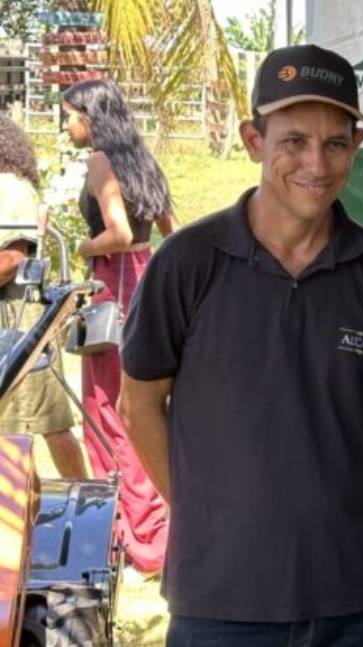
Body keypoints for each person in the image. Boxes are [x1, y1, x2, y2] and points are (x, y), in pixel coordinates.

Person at [119, 44, 363, 646]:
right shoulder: (187, 261)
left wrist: (341, 475)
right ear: (254, 140)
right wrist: (205, 506)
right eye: (293, 140)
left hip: (345, 591)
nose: (316, 162)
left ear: (356, 146)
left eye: (335, 142)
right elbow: (139, 405)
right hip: (220, 594)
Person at [61, 78, 174, 574]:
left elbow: (119, 232)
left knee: (109, 413)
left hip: (114, 291)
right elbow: (173, 231)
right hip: (147, 283)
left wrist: (80, 246)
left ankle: (135, 542)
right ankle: (160, 535)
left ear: (91, 116)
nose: (67, 125)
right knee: (147, 411)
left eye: (71, 115)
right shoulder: (142, 160)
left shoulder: (101, 162)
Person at [0, 113, 88, 479]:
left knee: (49, 422)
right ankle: (21, 518)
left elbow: (13, 257)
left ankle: (88, 502)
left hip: (23, 322)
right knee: (8, 433)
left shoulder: (11, 188)